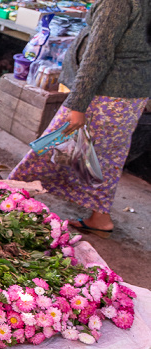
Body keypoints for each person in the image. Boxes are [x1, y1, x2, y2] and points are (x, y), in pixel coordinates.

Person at [9, 0, 151, 237]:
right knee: (106, 157)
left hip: (106, 94)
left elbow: (98, 55)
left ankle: (13, 193)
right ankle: (100, 217)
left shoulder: (117, 3)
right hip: (130, 95)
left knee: (51, 146)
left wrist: (77, 105)